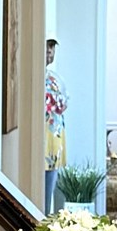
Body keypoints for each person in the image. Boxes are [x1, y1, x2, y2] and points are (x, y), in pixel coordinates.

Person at [44, 40, 67, 213]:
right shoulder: (33, 78)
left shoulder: (55, 79)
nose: (49, 51)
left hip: (54, 144)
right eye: (46, 46)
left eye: (52, 47)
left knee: (48, 198)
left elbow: (63, 105)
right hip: (40, 144)